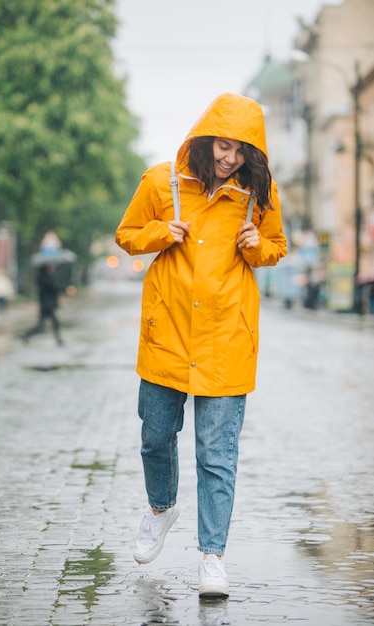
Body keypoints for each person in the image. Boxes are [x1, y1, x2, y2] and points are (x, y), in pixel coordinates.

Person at [115, 93, 288, 598]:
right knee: (155, 435)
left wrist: (260, 248)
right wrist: (158, 232)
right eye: (224, 145)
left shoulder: (257, 194)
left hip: (224, 340)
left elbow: (276, 246)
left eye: (240, 151)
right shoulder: (160, 181)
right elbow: (126, 235)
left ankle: (212, 556)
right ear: (206, 137)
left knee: (217, 455)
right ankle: (161, 507)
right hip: (166, 333)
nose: (229, 158)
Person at [22, 264, 63, 346]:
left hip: (47, 304)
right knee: (51, 324)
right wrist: (63, 288)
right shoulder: (43, 277)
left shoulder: (47, 276)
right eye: (50, 267)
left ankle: (26, 335)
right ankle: (26, 335)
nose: (52, 268)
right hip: (47, 305)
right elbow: (52, 288)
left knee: (42, 325)